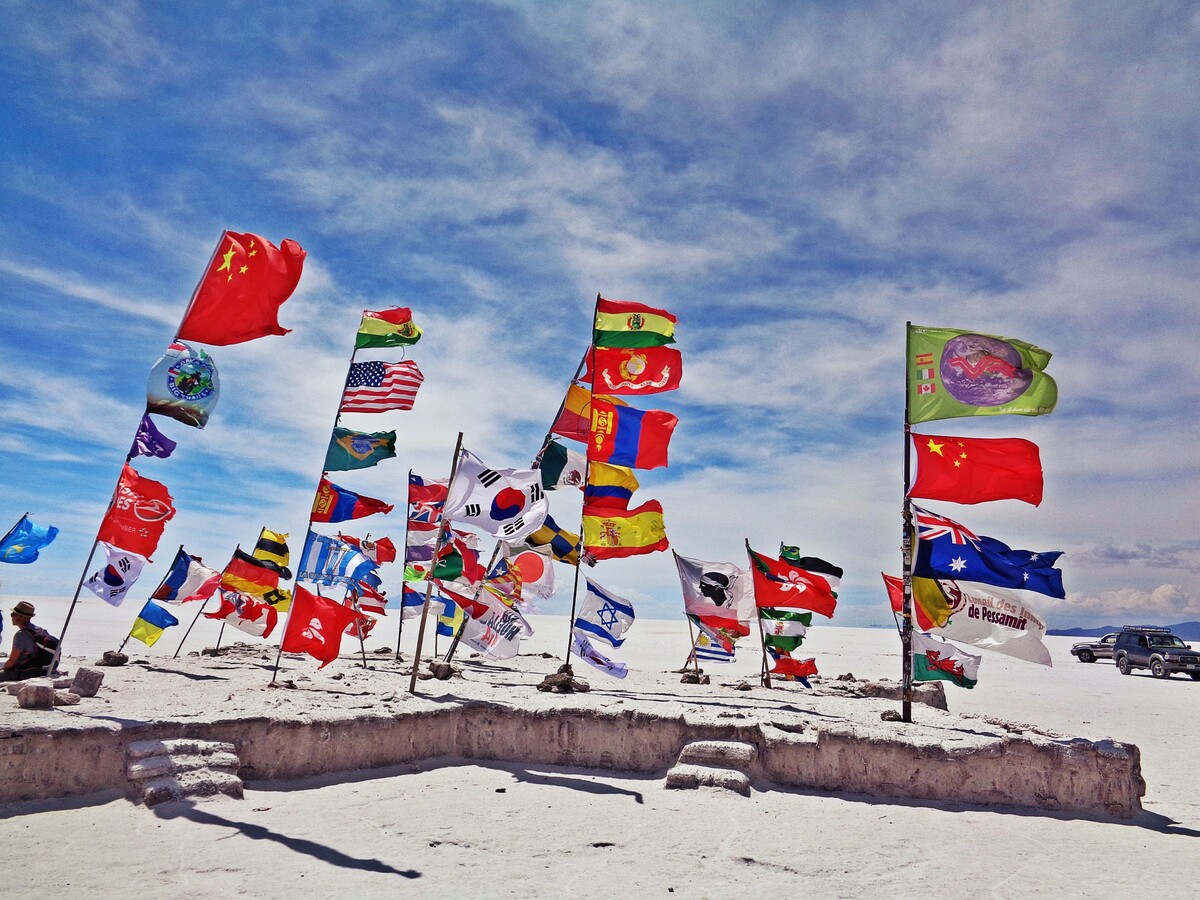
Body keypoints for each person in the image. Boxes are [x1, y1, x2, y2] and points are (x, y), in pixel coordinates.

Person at [1, 601, 60, 681]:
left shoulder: (21, 634)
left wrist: (3, 669)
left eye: (13, 614)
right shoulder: (39, 630)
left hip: (29, 671)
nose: (11, 617)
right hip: (45, 669)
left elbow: (12, 660)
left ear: (20, 617)